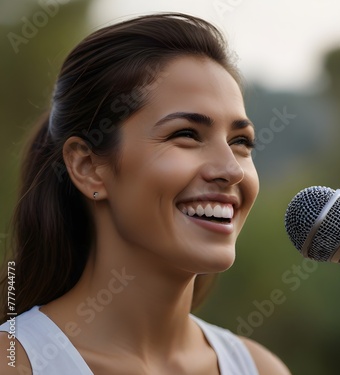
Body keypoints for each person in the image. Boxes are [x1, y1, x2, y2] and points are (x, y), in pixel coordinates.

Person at [0, 13, 290, 374]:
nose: (231, 169)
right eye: (186, 134)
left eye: (240, 142)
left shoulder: (260, 368)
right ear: (87, 167)